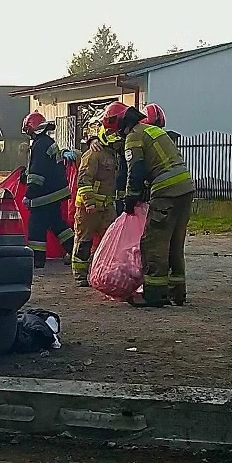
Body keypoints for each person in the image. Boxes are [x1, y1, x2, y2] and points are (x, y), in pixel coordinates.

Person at [100, 101, 194, 308]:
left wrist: (130, 199)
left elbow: (137, 169)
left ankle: (154, 294)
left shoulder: (134, 136)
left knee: (154, 243)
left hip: (166, 191)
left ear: (120, 123)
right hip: (185, 188)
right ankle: (177, 292)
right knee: (174, 243)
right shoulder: (151, 131)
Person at [21, 111, 75, 269]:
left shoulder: (39, 145)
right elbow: (46, 168)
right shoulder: (47, 142)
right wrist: (25, 176)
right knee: (58, 225)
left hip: (44, 195)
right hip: (55, 193)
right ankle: (77, 250)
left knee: (36, 227)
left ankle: (37, 260)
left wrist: (29, 194)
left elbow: (38, 174)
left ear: (33, 129)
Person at [71, 126, 119, 287]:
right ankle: (80, 276)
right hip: (88, 210)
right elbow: (83, 181)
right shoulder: (93, 154)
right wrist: (90, 203)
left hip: (107, 207)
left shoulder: (113, 154)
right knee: (84, 242)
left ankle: (102, 272)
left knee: (110, 242)